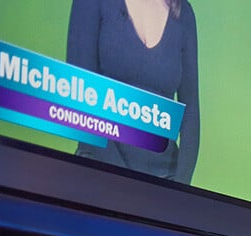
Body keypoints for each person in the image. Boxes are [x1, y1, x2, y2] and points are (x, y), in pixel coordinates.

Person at [67, 0, 200, 184]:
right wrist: (127, 185)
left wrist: (179, 189)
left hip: (162, 183)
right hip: (99, 170)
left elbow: (190, 113)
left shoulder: (183, 13)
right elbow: (78, 91)